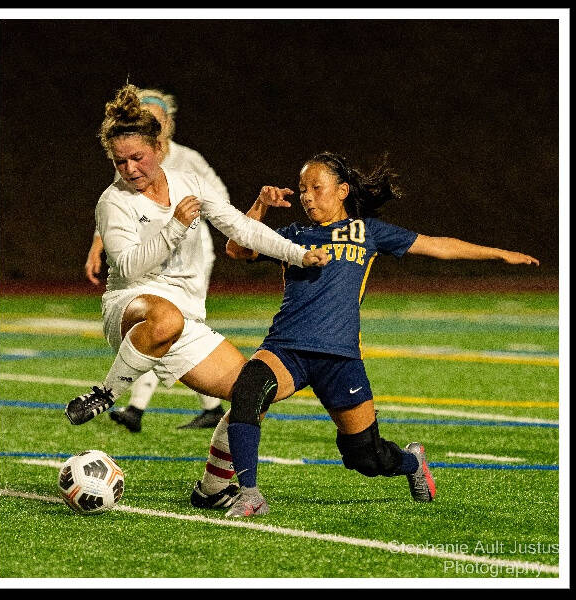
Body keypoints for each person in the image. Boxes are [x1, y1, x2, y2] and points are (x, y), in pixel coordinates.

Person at [204, 151, 540, 517]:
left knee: (365, 456)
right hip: (286, 349)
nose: (307, 196)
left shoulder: (367, 232)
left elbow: (437, 245)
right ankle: (250, 494)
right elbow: (238, 247)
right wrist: (260, 205)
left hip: (340, 358)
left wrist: (499, 254)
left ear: (343, 190)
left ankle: (411, 463)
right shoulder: (293, 235)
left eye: (317, 187)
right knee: (249, 390)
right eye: (303, 189)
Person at [64, 85, 330, 493]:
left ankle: (210, 490)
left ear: (158, 146)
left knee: (252, 395)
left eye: (138, 157)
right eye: (120, 162)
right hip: (130, 308)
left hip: (184, 318)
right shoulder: (112, 202)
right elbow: (130, 266)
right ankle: (107, 391)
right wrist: (174, 228)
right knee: (164, 316)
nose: (130, 169)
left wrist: (297, 254)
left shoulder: (187, 179)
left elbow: (240, 227)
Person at [84, 88, 226, 433]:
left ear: (167, 125)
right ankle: (141, 407)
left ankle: (141, 405)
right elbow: (116, 209)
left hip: (187, 260)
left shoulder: (186, 160)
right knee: (154, 324)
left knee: (175, 327)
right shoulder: (133, 156)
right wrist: (97, 245)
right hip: (145, 259)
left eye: (156, 119)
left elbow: (220, 200)